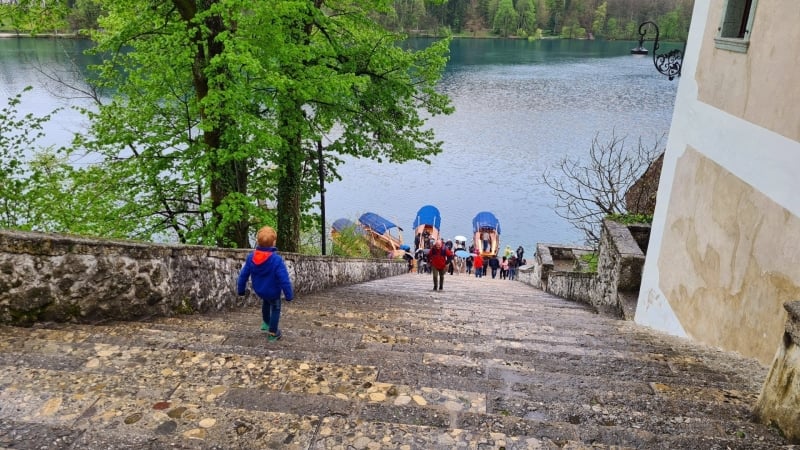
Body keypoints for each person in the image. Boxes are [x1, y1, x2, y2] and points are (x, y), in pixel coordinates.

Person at [237, 226, 294, 342]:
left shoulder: (251, 257)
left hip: (260, 290)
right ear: (274, 242)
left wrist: (241, 289)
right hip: (273, 291)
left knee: (266, 302)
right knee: (276, 308)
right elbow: (284, 279)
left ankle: (266, 322)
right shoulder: (276, 259)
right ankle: (273, 333)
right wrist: (289, 295)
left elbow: (243, 275)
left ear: (257, 241)